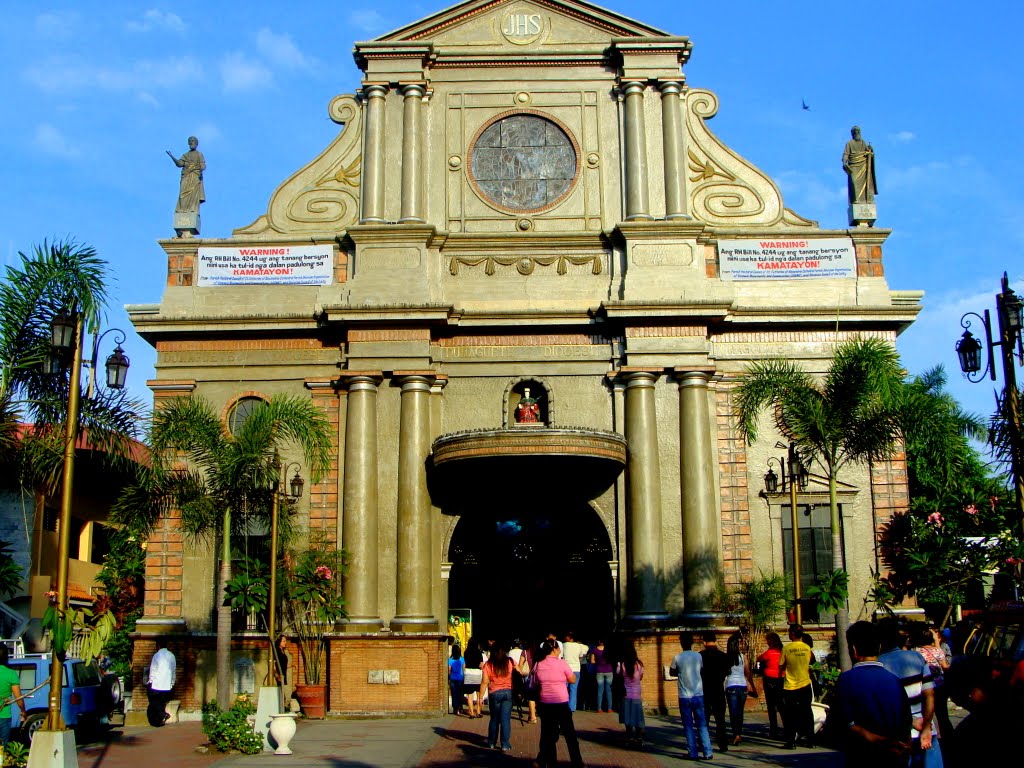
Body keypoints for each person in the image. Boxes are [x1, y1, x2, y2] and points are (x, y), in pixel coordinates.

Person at [835, 621, 912, 768]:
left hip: (862, 756)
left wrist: (874, 738)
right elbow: (906, 720)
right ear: (880, 647)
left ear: (853, 649)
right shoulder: (894, 680)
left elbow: (845, 722)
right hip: (894, 756)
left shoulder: (847, 680)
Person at [878, 618, 944, 768]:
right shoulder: (917, 658)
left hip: (899, 735)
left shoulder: (880, 664)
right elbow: (930, 695)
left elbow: (888, 704)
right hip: (925, 730)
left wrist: (911, 721)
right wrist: (927, 727)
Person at [533, 639, 583, 768]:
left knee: (547, 735)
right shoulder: (562, 664)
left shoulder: (539, 664)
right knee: (570, 735)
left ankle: (547, 761)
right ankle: (577, 762)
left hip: (545, 702)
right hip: (561, 702)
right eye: (559, 648)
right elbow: (572, 679)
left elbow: (535, 681)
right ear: (554, 649)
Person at [670, 632, 712, 761]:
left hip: (684, 695)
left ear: (681, 643)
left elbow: (672, 672)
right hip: (698, 693)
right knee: (702, 724)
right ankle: (707, 751)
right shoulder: (698, 656)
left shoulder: (677, 657)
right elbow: (702, 669)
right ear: (692, 642)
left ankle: (692, 752)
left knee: (688, 725)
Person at [779, 623, 814, 749]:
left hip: (790, 685)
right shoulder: (807, 648)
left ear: (792, 634)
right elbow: (809, 662)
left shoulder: (787, 648)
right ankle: (810, 740)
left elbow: (781, 666)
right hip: (805, 683)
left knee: (790, 714)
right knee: (807, 712)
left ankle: (790, 741)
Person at [914, 626, 952, 742]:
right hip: (940, 686)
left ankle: (928, 737)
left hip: (924, 687)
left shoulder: (917, 653)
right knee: (942, 715)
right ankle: (949, 739)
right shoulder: (938, 650)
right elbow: (945, 667)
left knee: (926, 713)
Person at [699, 630, 730, 753]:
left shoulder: (700, 656)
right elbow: (727, 672)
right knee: (720, 720)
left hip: (705, 690)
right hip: (718, 690)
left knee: (704, 719)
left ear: (704, 642)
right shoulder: (723, 656)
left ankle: (703, 744)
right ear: (716, 641)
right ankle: (723, 744)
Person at [724, 632, 757, 746]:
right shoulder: (743, 657)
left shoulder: (726, 658)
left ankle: (736, 734)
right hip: (742, 686)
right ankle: (738, 733)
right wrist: (752, 687)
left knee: (733, 713)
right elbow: (748, 673)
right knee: (740, 712)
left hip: (731, 686)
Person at [482, 642, 515, 752]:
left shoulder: (488, 664)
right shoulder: (510, 662)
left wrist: (480, 698)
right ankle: (505, 744)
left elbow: (485, 681)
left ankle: (491, 742)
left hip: (494, 693)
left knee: (494, 719)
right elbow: (519, 670)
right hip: (508, 692)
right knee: (505, 719)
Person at [166, 136, 206, 215]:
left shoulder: (199, 154)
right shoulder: (186, 155)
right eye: (190, 141)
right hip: (186, 176)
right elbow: (180, 164)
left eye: (193, 141)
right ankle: (181, 210)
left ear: (196, 143)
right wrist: (172, 156)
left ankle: (192, 209)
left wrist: (201, 168)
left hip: (195, 176)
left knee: (194, 194)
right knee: (182, 194)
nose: (191, 142)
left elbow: (203, 165)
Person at [757, 631, 785, 739]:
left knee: (771, 706)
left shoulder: (769, 653)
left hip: (769, 679)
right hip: (781, 678)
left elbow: (759, 659)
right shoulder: (782, 651)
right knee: (781, 706)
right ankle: (787, 729)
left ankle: (774, 730)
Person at [616, 641, 645, 747]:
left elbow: (618, 675)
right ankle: (639, 738)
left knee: (627, 719)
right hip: (637, 694)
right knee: (638, 718)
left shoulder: (622, 665)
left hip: (626, 695)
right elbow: (641, 677)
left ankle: (629, 738)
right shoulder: (639, 665)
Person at [842, 125, 876, 205]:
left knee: (866, 183)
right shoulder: (849, 143)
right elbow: (846, 154)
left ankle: (867, 199)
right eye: (855, 131)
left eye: (857, 131)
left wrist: (871, 149)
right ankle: (855, 200)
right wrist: (844, 162)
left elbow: (869, 153)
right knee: (854, 182)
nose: (856, 133)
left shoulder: (863, 142)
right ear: (852, 134)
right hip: (853, 165)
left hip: (863, 166)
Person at [147, 639, 176, 727]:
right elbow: (173, 670)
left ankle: (162, 714)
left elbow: (153, 669)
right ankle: (159, 720)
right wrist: (172, 683)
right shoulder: (171, 655)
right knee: (161, 702)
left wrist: (150, 680)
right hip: (167, 685)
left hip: (157, 683)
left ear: (158, 646)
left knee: (153, 700)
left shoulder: (157, 655)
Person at [0, 645, 25, 746]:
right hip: (4, 716)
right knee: (2, 746)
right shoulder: (11, 674)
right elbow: (18, 698)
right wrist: (23, 711)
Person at [562, 632, 588, 712]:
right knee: (573, 689)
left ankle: (564, 705)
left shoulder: (564, 645)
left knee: (564, 688)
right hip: (576, 669)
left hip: (565, 669)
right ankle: (572, 707)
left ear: (570, 637)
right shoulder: (580, 646)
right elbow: (582, 654)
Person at [463, 637, 485, 718]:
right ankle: (478, 711)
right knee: (479, 694)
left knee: (470, 695)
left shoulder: (466, 652)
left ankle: (471, 713)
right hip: (477, 674)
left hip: (468, 673)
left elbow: (465, 663)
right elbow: (481, 665)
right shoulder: (479, 653)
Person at [590, 639, 614, 713]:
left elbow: (592, 661)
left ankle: (599, 708)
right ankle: (609, 708)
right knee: (609, 690)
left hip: (599, 671)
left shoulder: (595, 649)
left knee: (600, 690)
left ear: (599, 641)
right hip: (609, 670)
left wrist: (598, 661)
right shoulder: (609, 649)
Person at [273, 635, 294, 711]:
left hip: (283, 674)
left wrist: (290, 666)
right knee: (280, 693)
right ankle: (280, 709)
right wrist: (276, 674)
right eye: (283, 641)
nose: (285, 643)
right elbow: (273, 663)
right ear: (279, 642)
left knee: (282, 692)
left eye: (285, 641)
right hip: (278, 675)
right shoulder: (276, 651)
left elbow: (283, 663)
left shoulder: (283, 651)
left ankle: (282, 709)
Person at [448, 644, 465, 716]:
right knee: (461, 693)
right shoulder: (462, 659)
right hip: (460, 678)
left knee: (454, 694)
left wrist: (449, 677)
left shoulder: (450, 660)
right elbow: (464, 669)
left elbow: (449, 670)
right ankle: (461, 707)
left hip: (453, 678)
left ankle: (455, 708)